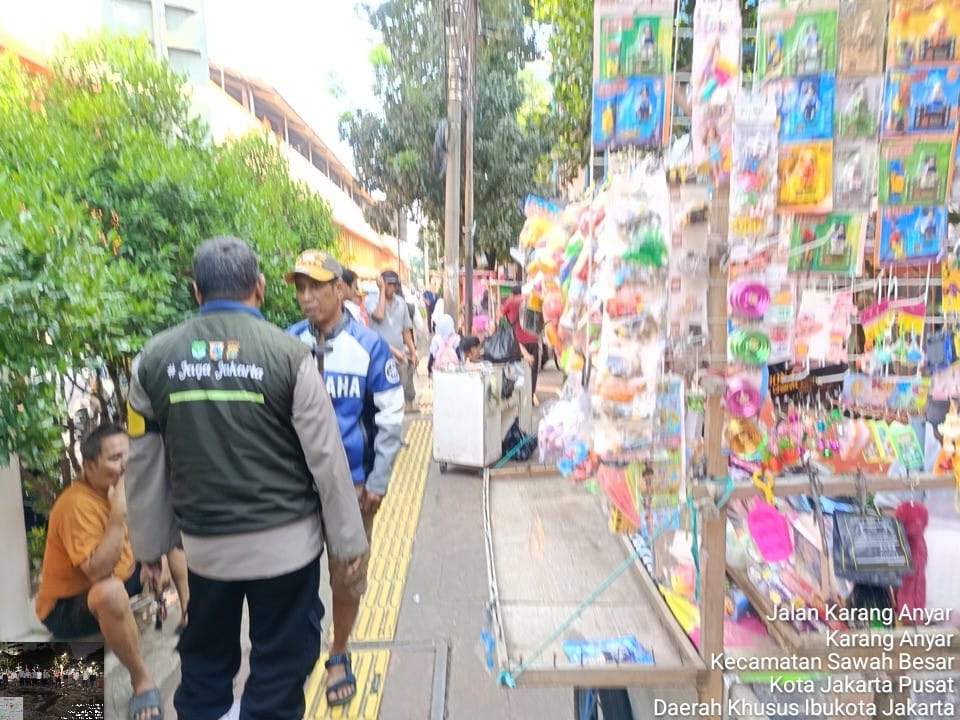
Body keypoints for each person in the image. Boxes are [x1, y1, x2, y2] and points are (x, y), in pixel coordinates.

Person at [124, 236, 368, 720]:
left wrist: (150, 548)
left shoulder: (152, 361)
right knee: (281, 665)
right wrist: (348, 544)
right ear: (258, 287)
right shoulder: (289, 357)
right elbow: (328, 461)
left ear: (196, 292)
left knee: (206, 666)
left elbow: (143, 463)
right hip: (288, 552)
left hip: (205, 554)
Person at [284, 249, 403, 707]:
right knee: (293, 577)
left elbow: (390, 419)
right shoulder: (287, 343)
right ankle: (298, 652)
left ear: (340, 288)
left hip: (351, 488)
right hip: (293, 489)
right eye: (300, 287)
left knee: (347, 576)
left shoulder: (369, 348)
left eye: (316, 286)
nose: (307, 297)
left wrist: (378, 480)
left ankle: (339, 652)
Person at [34, 423, 161, 720]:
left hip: (115, 575)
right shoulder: (75, 503)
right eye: (115, 458)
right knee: (111, 593)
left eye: (127, 456)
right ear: (89, 466)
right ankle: (142, 680)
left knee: (171, 549)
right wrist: (118, 513)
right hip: (67, 606)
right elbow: (99, 572)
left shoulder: (114, 489)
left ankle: (187, 618)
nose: (125, 465)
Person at [366, 269, 418, 412]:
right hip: (379, 356)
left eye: (395, 285)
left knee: (398, 397)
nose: (392, 288)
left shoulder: (401, 303)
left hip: (399, 356)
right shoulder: (371, 300)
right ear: (381, 282)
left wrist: (413, 352)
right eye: (388, 284)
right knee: (383, 397)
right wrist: (381, 291)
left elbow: (406, 330)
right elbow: (379, 315)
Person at [500, 285, 541, 405]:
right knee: (533, 370)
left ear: (512, 293)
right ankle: (530, 395)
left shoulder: (511, 300)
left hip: (519, 340)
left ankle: (521, 398)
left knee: (519, 369)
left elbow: (500, 314)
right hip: (534, 339)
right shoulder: (532, 299)